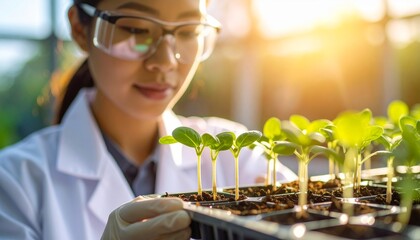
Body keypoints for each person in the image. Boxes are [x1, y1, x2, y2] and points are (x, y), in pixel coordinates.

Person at [0, 0, 297, 239]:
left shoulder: (239, 156)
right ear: (80, 29)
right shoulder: (15, 182)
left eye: (188, 31)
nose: (166, 60)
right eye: (137, 29)